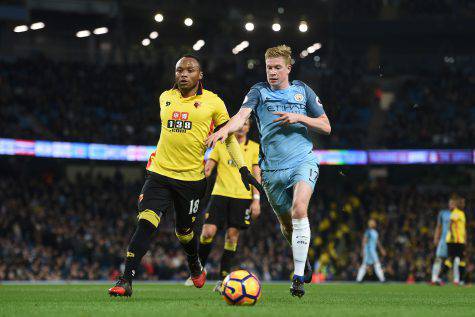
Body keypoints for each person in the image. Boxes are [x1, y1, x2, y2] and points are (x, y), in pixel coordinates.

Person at [108, 55, 262, 297]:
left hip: (191, 180)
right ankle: (125, 279)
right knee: (146, 222)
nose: (183, 74)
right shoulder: (165, 97)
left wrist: (243, 169)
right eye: (179, 70)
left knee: (185, 232)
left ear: (200, 75)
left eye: (190, 70)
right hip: (159, 174)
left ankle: (194, 263)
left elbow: (229, 136)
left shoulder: (213, 102)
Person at [206, 45, 331, 297]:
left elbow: (326, 126)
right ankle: (302, 259)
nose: (272, 72)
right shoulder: (259, 91)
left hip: (302, 161)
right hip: (272, 171)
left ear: (288, 67)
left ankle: (297, 277)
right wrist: (224, 130)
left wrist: (300, 118)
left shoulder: (302, 91)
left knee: (299, 209)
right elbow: (242, 116)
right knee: (287, 225)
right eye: (268, 67)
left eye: (277, 68)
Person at [185, 118, 261, 290]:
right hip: (220, 194)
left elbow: (257, 176)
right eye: (240, 124)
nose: (242, 127)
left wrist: (256, 200)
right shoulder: (221, 144)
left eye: (246, 125)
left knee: (232, 236)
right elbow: (208, 168)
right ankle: (198, 271)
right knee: (207, 232)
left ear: (249, 128)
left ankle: (223, 279)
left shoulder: (255, 148)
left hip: (242, 197)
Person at [439, 195, 467, 285]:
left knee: (453, 259)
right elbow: (451, 223)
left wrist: (464, 239)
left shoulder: (461, 213)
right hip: (455, 240)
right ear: (458, 204)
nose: (464, 204)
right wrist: (452, 235)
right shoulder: (457, 212)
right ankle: (461, 280)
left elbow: (462, 228)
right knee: (459, 259)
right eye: (462, 202)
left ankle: (440, 278)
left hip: (459, 240)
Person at [430, 201, 451, 284]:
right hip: (443, 240)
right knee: (439, 258)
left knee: (452, 260)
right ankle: (434, 278)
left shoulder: (458, 213)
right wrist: (436, 237)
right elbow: (438, 226)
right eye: (450, 203)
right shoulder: (442, 213)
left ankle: (452, 279)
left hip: (454, 240)